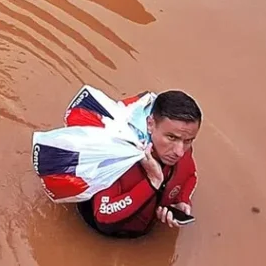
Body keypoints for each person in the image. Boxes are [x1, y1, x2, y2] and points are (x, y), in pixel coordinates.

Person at [77, 90, 201, 238]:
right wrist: (152, 182)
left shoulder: (182, 148)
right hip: (96, 234)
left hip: (146, 230)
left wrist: (181, 201)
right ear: (150, 124)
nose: (180, 152)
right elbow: (103, 217)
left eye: (188, 141)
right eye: (171, 137)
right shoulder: (119, 157)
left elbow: (190, 175)